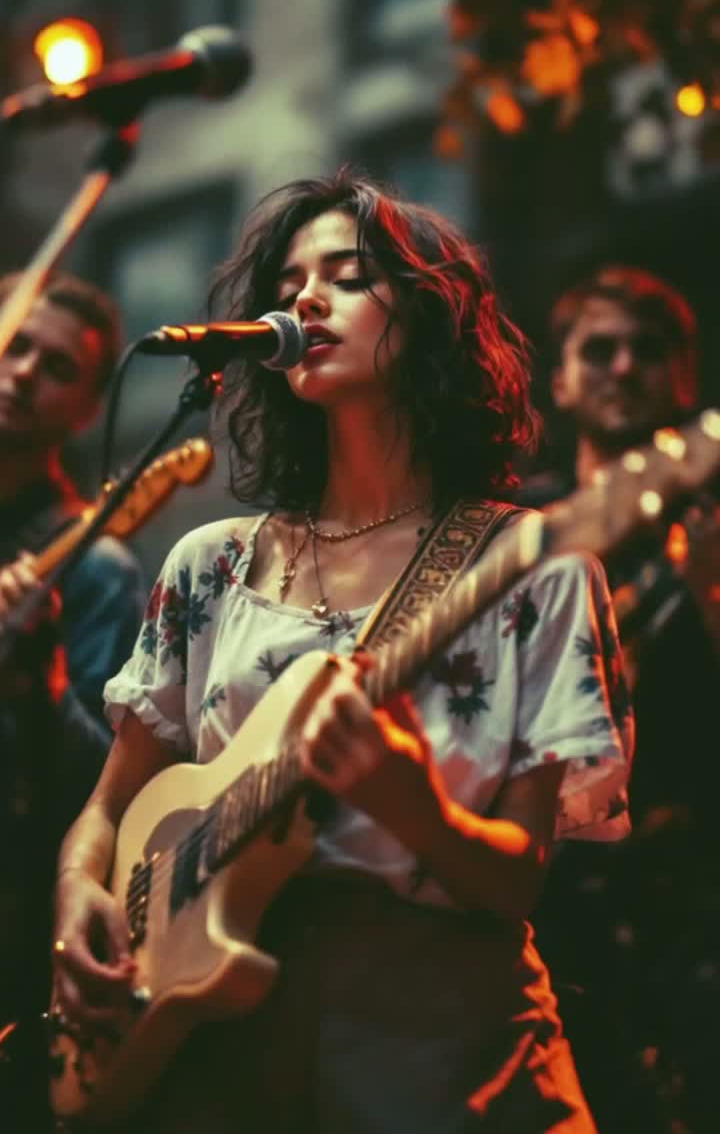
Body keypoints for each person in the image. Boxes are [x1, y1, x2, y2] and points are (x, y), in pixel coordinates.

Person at [52, 172, 633, 1134]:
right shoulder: (212, 565)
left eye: (349, 278)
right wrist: (78, 890)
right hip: (223, 1051)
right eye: (289, 287)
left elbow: (518, 879)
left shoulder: (531, 565)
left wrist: (413, 804)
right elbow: (110, 807)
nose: (307, 301)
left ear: (432, 319)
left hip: (439, 1047)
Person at [522, 265, 720, 1133]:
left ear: (686, 376)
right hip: (552, 897)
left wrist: (709, 599)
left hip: (693, 890)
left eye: (650, 349)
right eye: (599, 350)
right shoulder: (518, 531)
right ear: (560, 381)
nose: (625, 367)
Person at [0, 271, 145, 1121]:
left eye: (56, 367)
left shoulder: (94, 572)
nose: (23, 373)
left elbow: (106, 795)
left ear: (89, 411)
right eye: (15, 344)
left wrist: (39, 686)